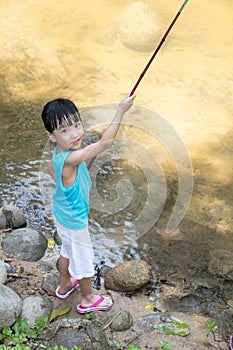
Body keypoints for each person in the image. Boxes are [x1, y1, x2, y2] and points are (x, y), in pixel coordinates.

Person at [41, 93, 136, 313]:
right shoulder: (72, 158)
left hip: (61, 215)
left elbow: (51, 169)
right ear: (52, 135)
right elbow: (106, 142)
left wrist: (79, 168)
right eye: (64, 130)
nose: (74, 133)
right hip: (75, 221)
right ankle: (87, 298)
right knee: (83, 260)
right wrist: (121, 110)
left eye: (76, 124)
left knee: (66, 250)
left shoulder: (60, 154)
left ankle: (65, 285)